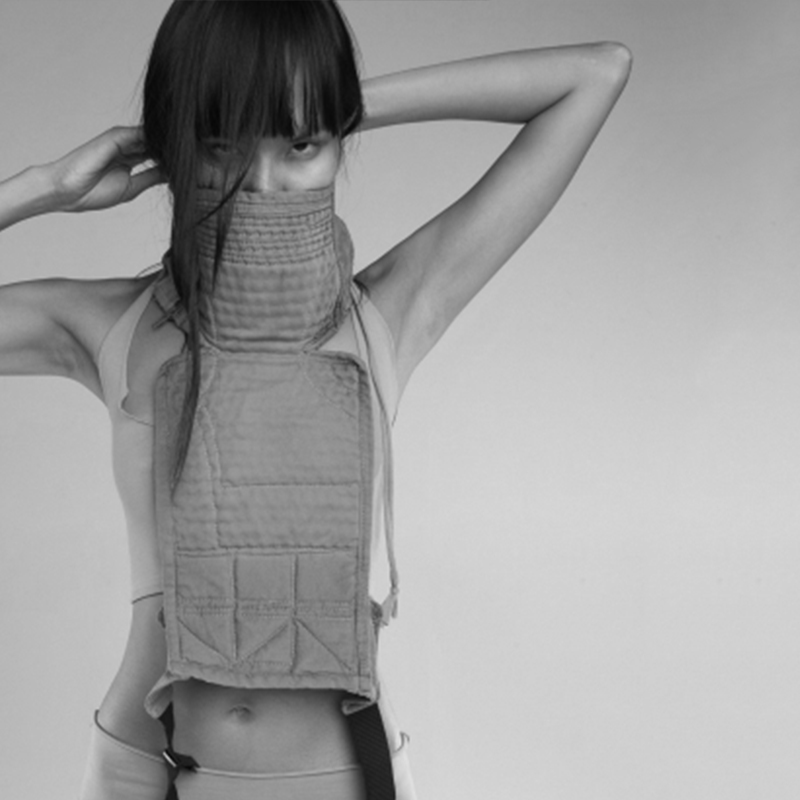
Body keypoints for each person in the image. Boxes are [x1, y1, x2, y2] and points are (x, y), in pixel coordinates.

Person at [0, 1, 631, 798]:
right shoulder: (103, 326)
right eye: (221, 146)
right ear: (176, 147)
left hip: (338, 778)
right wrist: (41, 188)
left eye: (299, 147)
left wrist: (328, 104)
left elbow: (594, 74)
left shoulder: (389, 313)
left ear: (337, 142)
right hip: (140, 772)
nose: (261, 184)